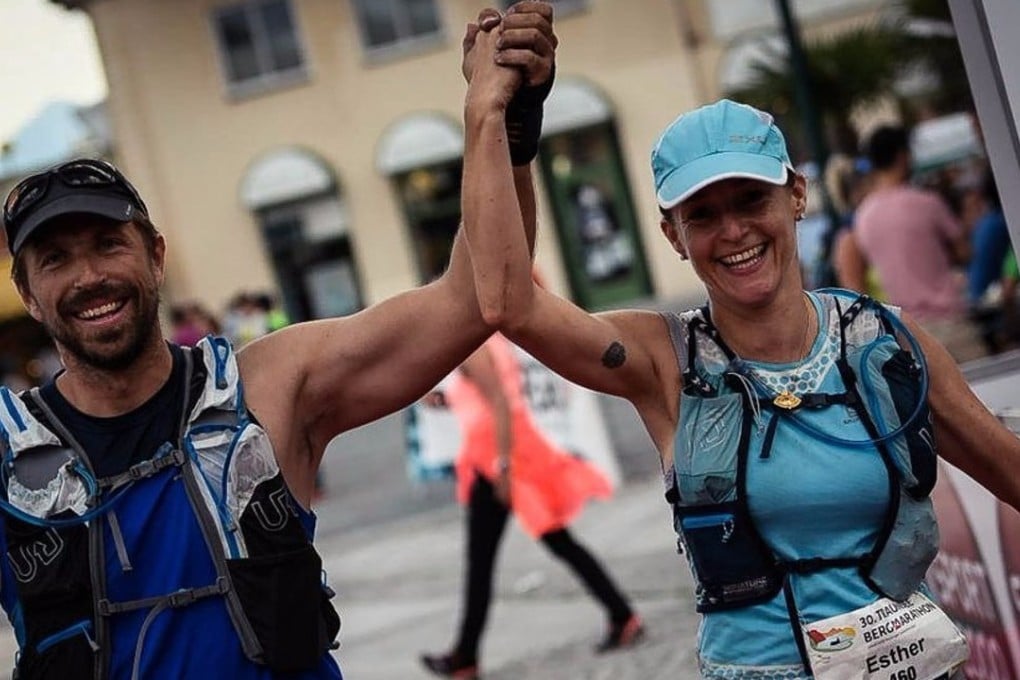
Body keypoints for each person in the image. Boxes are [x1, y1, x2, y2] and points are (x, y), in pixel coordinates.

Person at [0, 4, 556, 679]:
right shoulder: (12, 463)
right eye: (55, 260)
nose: (89, 276)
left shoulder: (269, 386)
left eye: (107, 245)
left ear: (154, 254)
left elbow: (474, 300)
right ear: (28, 294)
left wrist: (500, 126)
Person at [460, 90, 1020, 679]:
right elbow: (509, 303)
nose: (733, 230)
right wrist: (509, 132)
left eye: (752, 199)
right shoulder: (664, 360)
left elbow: (1008, 467)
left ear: (796, 195)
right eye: (701, 214)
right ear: (674, 235)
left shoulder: (884, 344)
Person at [420, 333, 643, 679]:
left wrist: (505, 468)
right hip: (505, 454)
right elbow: (491, 396)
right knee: (556, 542)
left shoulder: (473, 343)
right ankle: (621, 614)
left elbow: (499, 402)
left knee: (485, 561)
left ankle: (465, 656)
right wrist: (449, 401)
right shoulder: (488, 339)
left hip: (497, 460)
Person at [847, 125, 987, 363]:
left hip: (907, 335)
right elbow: (965, 252)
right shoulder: (927, 203)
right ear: (903, 156)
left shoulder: (863, 216)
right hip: (951, 323)